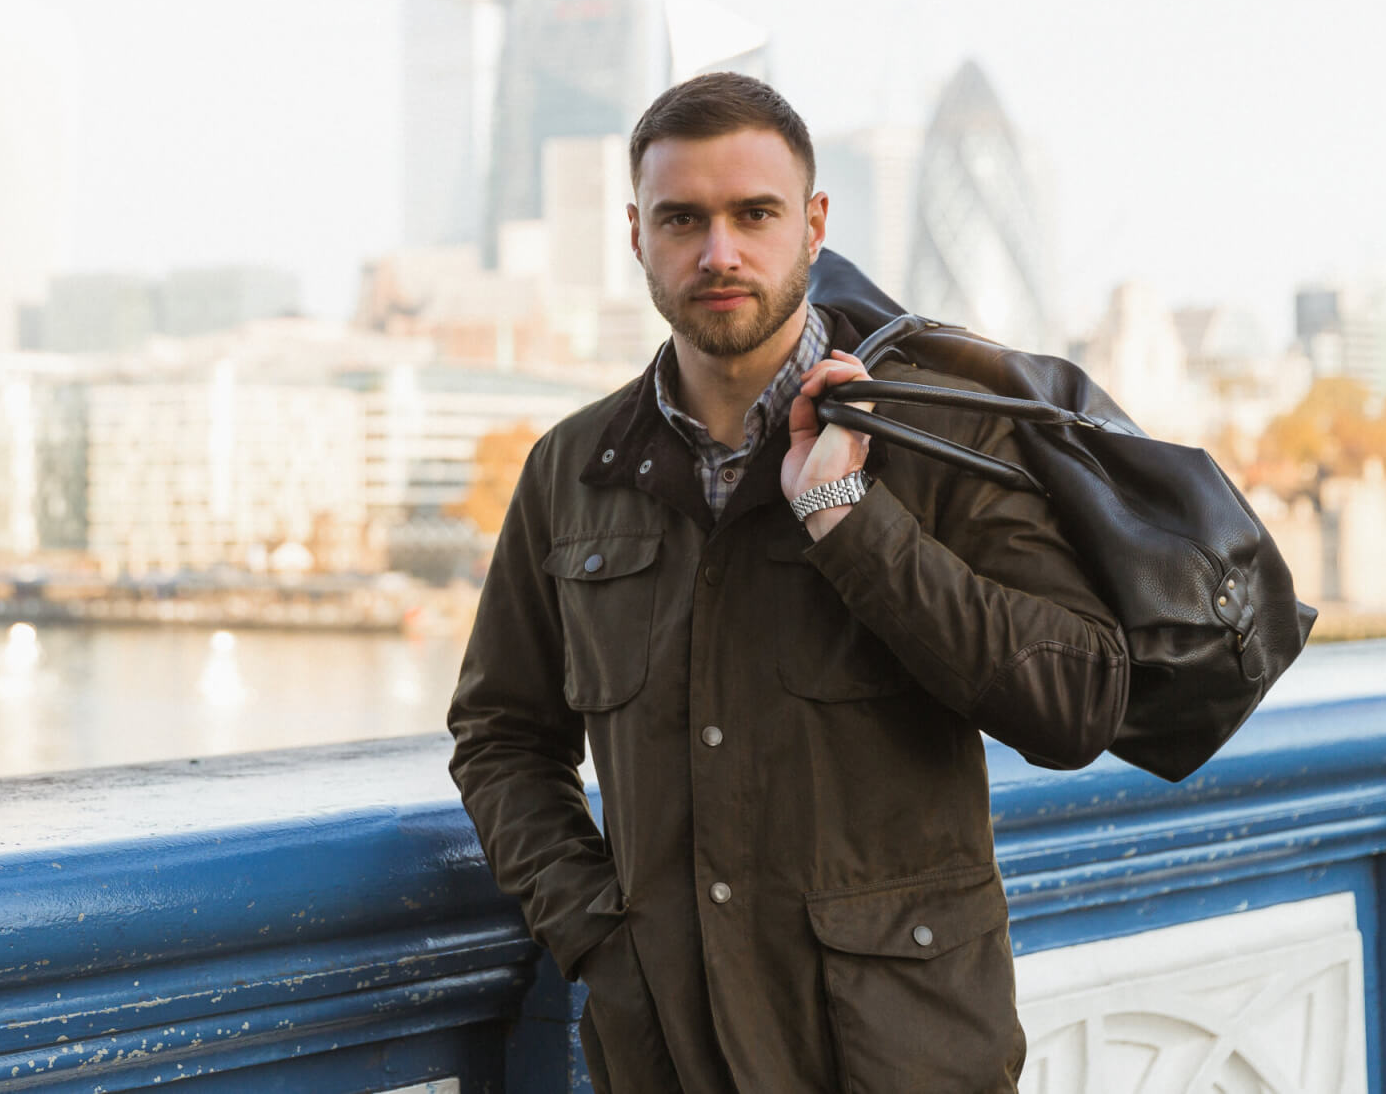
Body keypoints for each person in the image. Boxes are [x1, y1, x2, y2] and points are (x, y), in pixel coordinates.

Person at [446, 72, 1127, 1092]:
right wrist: (597, 932)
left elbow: (1074, 702)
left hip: (903, 1058)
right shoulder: (570, 471)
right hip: (668, 1054)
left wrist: (847, 524)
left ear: (811, 224)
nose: (718, 252)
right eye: (682, 219)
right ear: (635, 235)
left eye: (751, 215)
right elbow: (501, 734)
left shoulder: (942, 436)